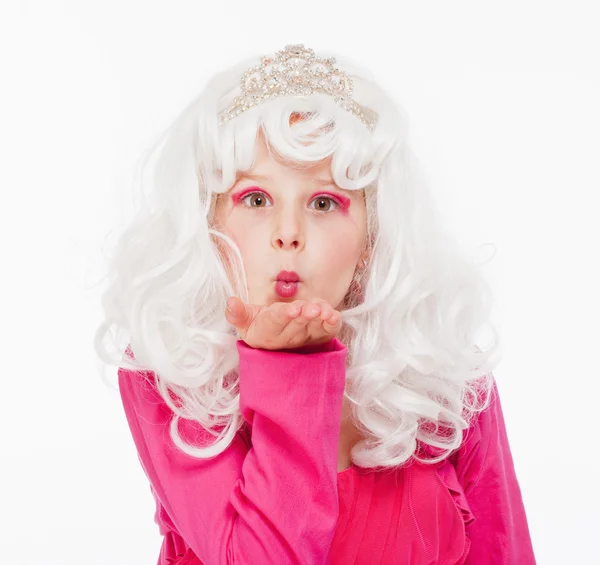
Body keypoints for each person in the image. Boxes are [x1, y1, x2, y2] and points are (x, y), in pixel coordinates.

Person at [95, 43, 536, 564]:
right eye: (256, 200)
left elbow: (503, 552)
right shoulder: (167, 376)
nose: (288, 233)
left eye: (324, 202)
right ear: (210, 225)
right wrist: (289, 367)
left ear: (371, 235)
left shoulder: (445, 377)